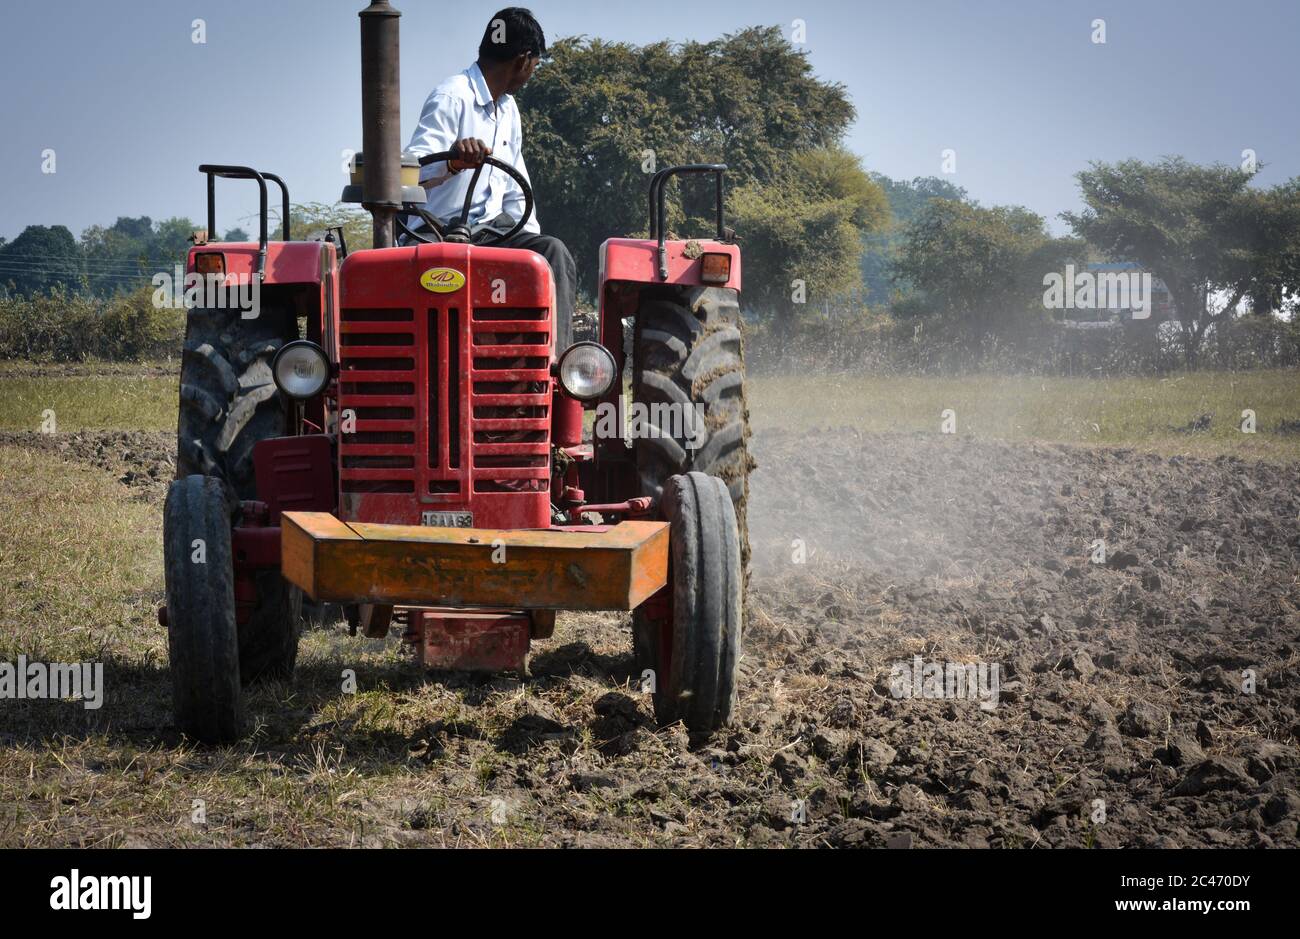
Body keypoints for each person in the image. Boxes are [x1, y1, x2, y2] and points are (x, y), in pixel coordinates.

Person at [406, 7, 575, 348]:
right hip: (438, 234)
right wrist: (453, 163)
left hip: (492, 233)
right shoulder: (451, 97)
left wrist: (532, 253)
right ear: (524, 60)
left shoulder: (508, 110)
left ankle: (554, 368)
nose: (533, 72)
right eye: (535, 64)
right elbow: (410, 175)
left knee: (552, 253)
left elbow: (515, 189)